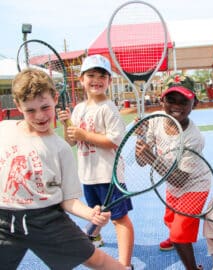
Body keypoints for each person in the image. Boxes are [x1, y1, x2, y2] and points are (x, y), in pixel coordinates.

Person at [0, 68, 125, 270]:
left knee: (99, 261)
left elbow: (68, 199)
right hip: (3, 222)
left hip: (47, 220)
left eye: (45, 107)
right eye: (30, 110)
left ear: (55, 99)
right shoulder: (4, 130)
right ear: (17, 105)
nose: (40, 115)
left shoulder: (61, 148)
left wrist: (90, 215)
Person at [57, 54, 134, 269]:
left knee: (120, 219)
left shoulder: (109, 109)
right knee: (97, 211)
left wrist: (84, 135)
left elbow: (113, 141)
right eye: (91, 75)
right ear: (81, 79)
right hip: (88, 174)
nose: (96, 80)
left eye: (102, 76)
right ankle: (94, 236)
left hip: (109, 176)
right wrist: (66, 125)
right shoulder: (79, 109)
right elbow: (71, 141)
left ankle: (125, 265)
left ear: (109, 81)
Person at [136, 73, 205, 270]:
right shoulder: (155, 121)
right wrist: (140, 137)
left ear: (195, 104)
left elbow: (180, 181)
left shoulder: (194, 138)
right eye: (171, 99)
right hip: (170, 180)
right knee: (170, 220)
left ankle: (192, 267)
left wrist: (151, 158)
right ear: (161, 101)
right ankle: (175, 237)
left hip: (194, 185)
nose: (177, 105)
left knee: (179, 234)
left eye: (184, 101)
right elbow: (141, 161)